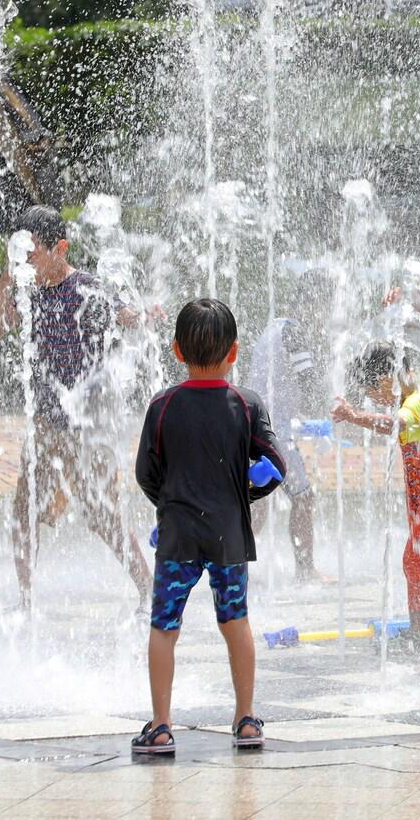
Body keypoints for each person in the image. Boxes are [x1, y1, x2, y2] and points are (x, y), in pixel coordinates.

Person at [132, 299, 286, 755]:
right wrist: (243, 497)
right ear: (234, 351)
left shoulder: (162, 406)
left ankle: (161, 726)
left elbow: (145, 473)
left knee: (164, 627)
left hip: (178, 536)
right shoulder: (246, 404)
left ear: (177, 350)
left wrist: (169, 507)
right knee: (235, 621)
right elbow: (275, 468)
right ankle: (246, 720)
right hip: (228, 536)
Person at [0, 204, 151, 608]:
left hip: (88, 423)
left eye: (32, 252)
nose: (26, 261)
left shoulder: (86, 287)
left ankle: (149, 589)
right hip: (46, 421)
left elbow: (129, 316)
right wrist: (7, 277)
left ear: (60, 248)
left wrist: (144, 313)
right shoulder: (25, 290)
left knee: (103, 515)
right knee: (24, 509)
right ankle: (25, 600)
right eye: (19, 252)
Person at [331, 342, 420, 650]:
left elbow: (393, 424)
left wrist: (353, 415)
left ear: (386, 379)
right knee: (416, 564)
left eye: (372, 393)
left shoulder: (419, 400)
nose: (377, 401)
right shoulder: (413, 399)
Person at [245, 316, 327, 581]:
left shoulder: (271, 330)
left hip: (254, 427)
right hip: (275, 435)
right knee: (303, 497)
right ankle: (306, 570)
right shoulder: (293, 332)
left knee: (258, 502)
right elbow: (309, 382)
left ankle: (231, 567)